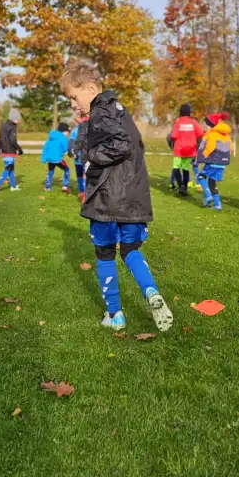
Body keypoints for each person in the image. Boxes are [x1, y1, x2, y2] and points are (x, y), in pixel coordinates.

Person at [60, 57, 173, 333]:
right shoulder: (119, 110)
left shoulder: (101, 111)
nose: (73, 103)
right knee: (131, 250)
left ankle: (115, 315)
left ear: (90, 88)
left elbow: (119, 145)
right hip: (132, 198)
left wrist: (91, 157)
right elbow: (131, 145)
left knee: (105, 254)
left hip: (106, 198)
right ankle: (150, 290)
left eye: (74, 96)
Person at [196, 112, 233, 210]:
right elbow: (231, 147)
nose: (205, 127)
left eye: (206, 125)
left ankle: (209, 195)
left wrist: (202, 156)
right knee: (212, 182)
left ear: (210, 125)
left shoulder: (212, 134)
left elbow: (210, 146)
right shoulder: (226, 135)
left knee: (201, 176)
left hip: (213, 161)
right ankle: (217, 205)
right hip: (222, 163)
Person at [170, 103, 204, 196]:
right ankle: (184, 188)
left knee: (176, 168)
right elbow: (201, 133)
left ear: (180, 112)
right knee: (185, 168)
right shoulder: (193, 122)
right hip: (190, 149)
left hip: (179, 149)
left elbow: (174, 135)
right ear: (189, 112)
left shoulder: (178, 122)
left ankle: (181, 185)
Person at [0, 109, 23, 192]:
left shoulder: (3, 125)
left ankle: (13, 186)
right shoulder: (13, 126)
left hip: (4, 151)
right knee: (8, 169)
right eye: (18, 119)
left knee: (11, 169)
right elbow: (13, 140)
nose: (19, 121)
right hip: (10, 151)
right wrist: (19, 149)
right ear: (14, 118)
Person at [41, 122, 71, 193]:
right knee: (67, 170)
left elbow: (46, 147)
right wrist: (68, 152)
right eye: (68, 132)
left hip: (49, 158)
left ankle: (47, 187)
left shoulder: (51, 137)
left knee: (51, 171)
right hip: (58, 159)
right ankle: (65, 186)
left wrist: (44, 158)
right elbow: (66, 148)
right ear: (64, 131)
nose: (68, 134)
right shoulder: (64, 138)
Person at [68, 115, 89, 202]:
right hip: (81, 156)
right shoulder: (77, 129)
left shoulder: (76, 129)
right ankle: (83, 192)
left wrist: (71, 152)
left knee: (82, 174)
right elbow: (71, 142)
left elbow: (71, 142)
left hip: (82, 156)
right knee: (82, 174)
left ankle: (83, 192)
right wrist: (71, 151)